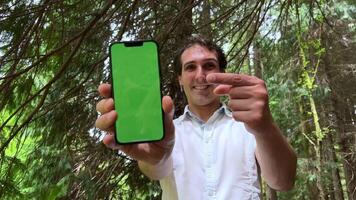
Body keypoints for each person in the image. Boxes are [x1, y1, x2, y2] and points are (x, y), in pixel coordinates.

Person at [95, 35, 297, 199]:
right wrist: (158, 156)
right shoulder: (165, 133)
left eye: (209, 65)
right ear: (180, 79)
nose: (200, 75)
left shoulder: (251, 126)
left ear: (222, 73)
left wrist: (266, 126)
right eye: (190, 67)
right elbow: (155, 168)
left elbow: (283, 182)